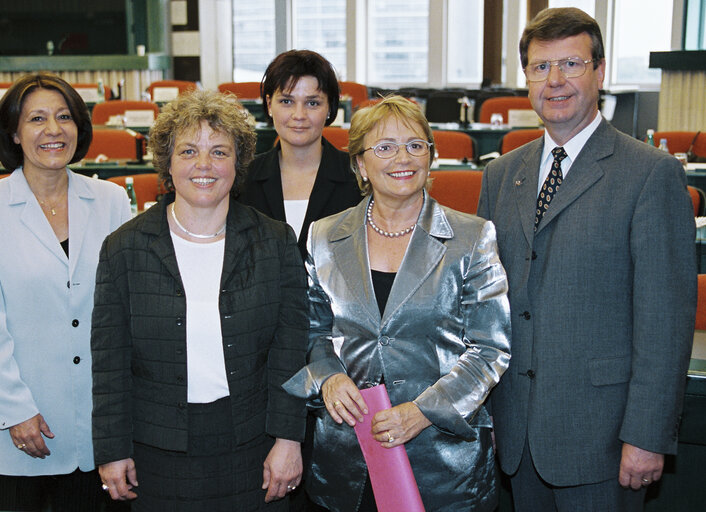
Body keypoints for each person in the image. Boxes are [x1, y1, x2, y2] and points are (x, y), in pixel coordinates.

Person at [477, 8, 696, 512]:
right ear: (526, 77)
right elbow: (486, 308)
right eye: (540, 67)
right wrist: (488, 417)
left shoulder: (650, 174)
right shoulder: (501, 174)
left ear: (599, 71)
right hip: (516, 435)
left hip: (605, 439)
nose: (554, 81)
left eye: (571, 65)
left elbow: (665, 321)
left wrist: (647, 433)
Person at [284, 95, 512, 512]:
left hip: (443, 459)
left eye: (415, 145)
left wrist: (423, 412)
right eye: (384, 147)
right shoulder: (323, 236)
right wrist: (329, 378)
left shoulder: (472, 238)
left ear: (431, 156)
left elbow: (490, 349)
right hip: (347, 453)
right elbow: (311, 331)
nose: (401, 158)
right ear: (360, 165)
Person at [91, 89, 308, 511]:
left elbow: (291, 351)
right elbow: (110, 361)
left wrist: (289, 438)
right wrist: (111, 449)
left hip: (256, 447)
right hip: (156, 451)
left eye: (219, 152)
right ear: (167, 164)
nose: (204, 165)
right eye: (188, 151)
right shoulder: (124, 248)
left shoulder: (276, 242)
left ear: (238, 162)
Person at [0, 72, 131, 511]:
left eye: (64, 117)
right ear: (14, 132)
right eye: (36, 119)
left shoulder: (110, 201)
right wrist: (15, 410)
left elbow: (123, 314)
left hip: (96, 430)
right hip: (15, 427)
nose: (53, 130)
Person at [237, 49, 362, 259]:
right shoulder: (242, 179)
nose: (299, 115)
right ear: (269, 105)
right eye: (286, 101)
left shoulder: (358, 180)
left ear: (330, 108)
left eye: (312, 103)